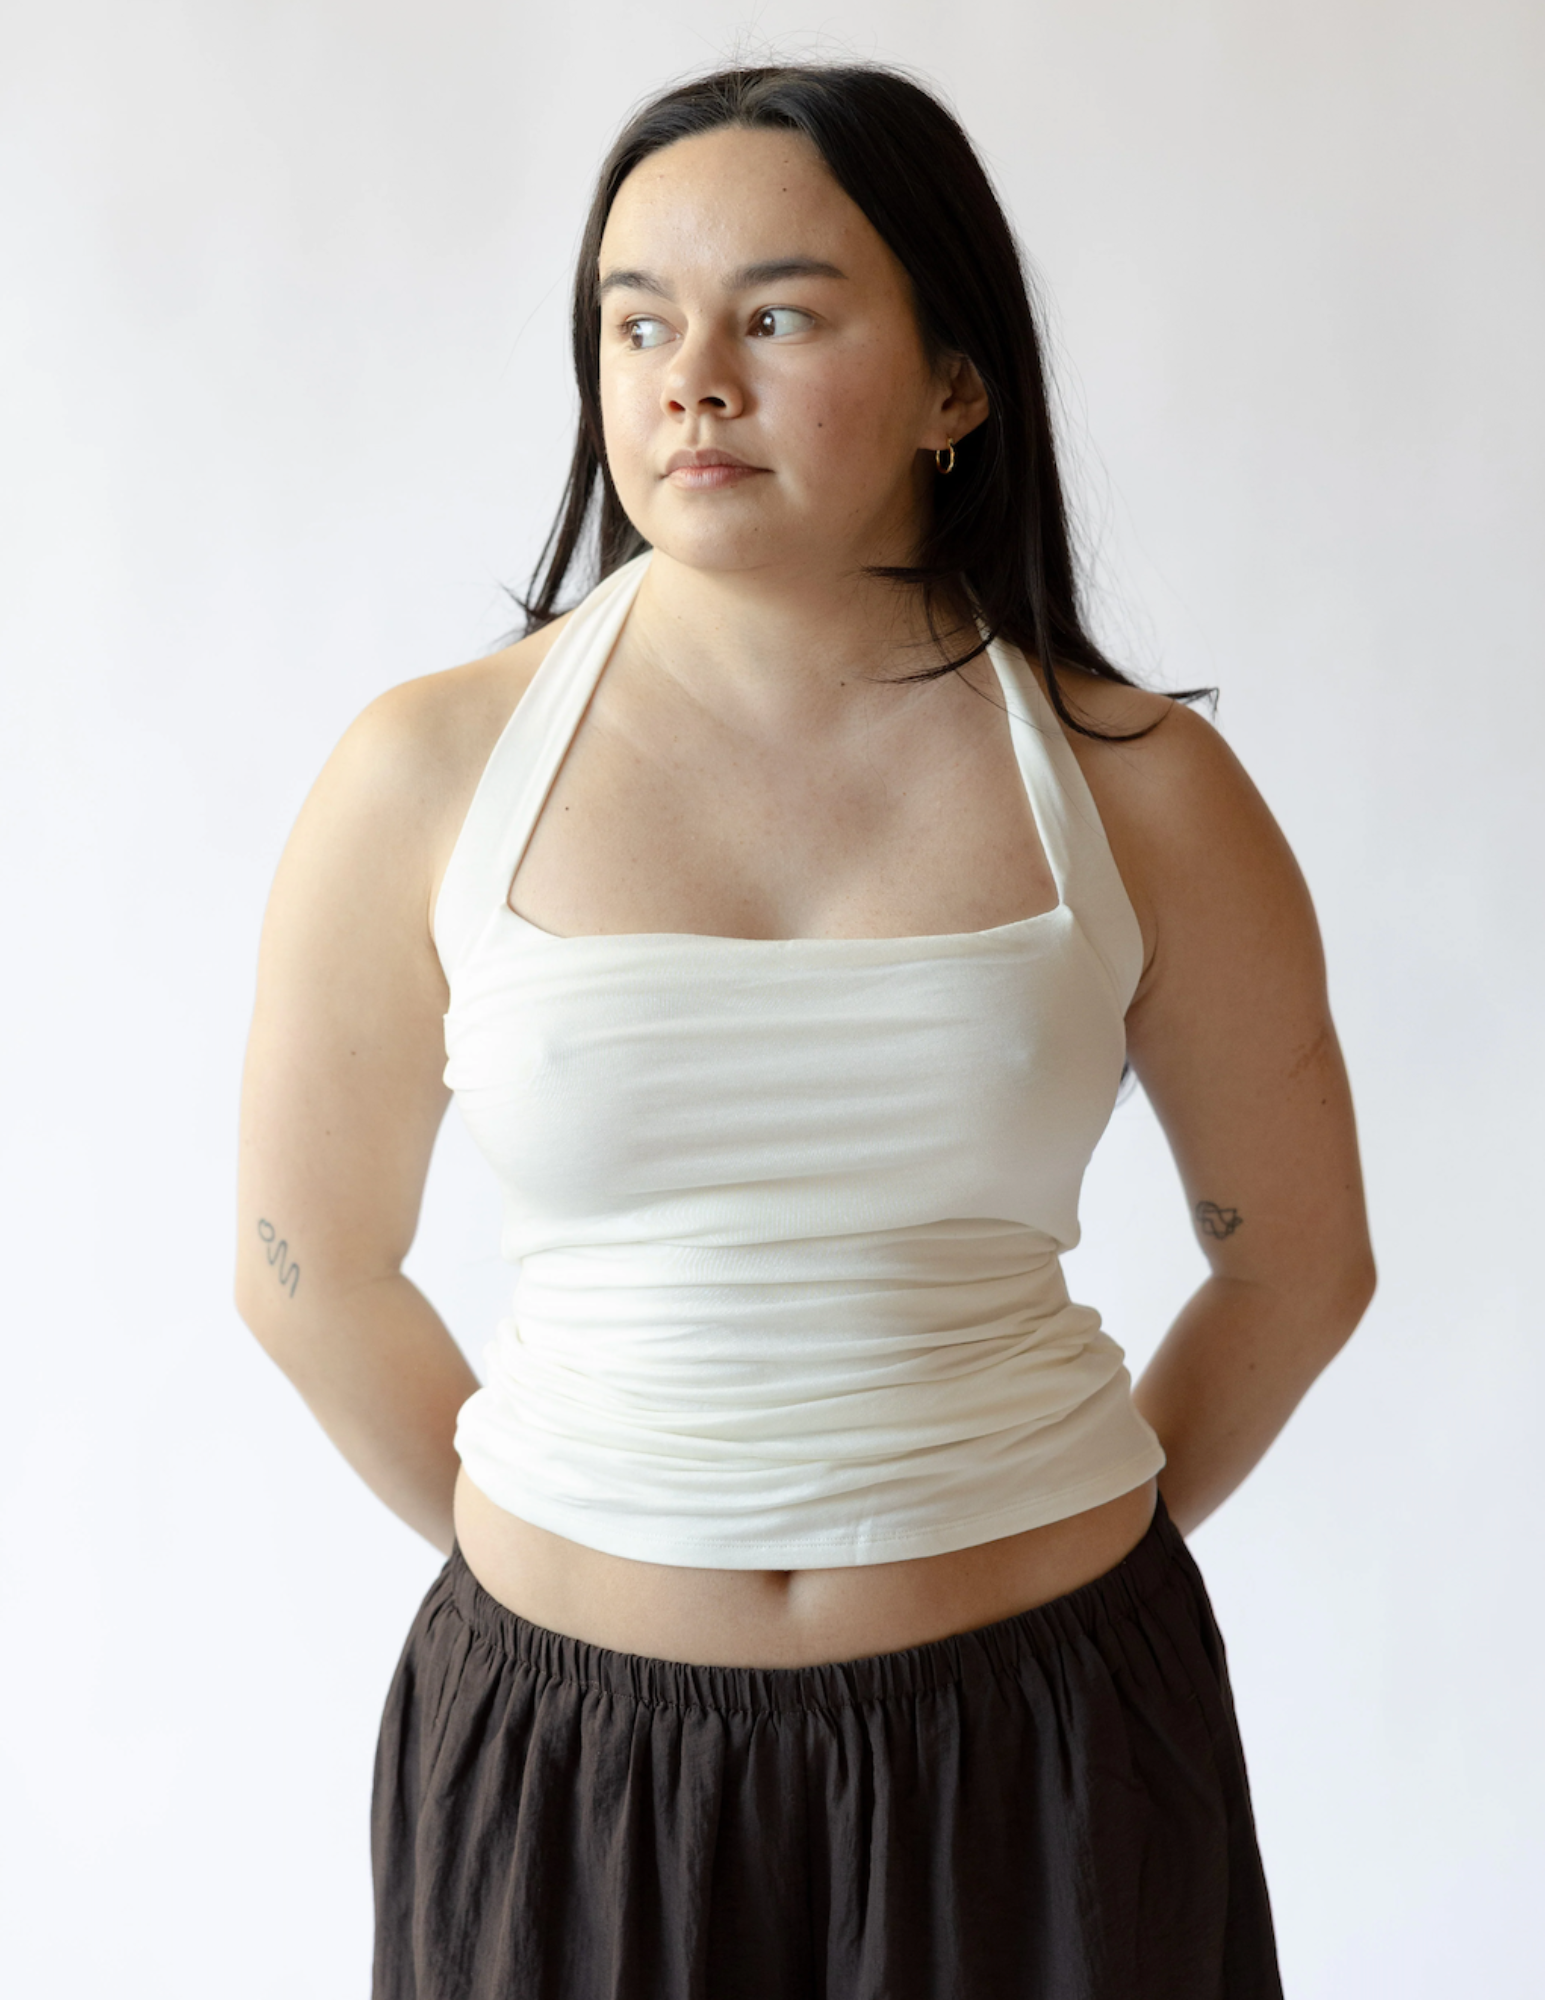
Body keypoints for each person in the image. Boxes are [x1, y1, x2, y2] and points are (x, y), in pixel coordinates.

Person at [235, 60, 1374, 2000]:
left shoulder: (1142, 790)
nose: (691, 380)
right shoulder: (421, 771)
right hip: (567, 1772)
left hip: (1041, 1757)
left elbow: (1299, 1264)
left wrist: (1041, 1539)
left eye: (776, 318)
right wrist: (575, 1538)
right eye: (637, 322)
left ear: (957, 384)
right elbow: (305, 1270)